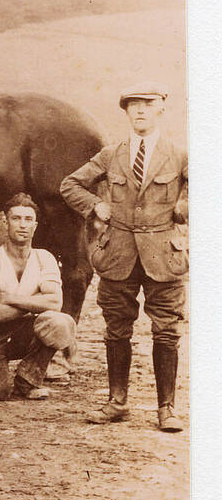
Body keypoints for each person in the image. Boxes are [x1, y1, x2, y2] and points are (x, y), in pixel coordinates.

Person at [60, 84, 188, 431]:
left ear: (161, 108)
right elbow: (70, 185)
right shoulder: (111, 154)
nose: (140, 111)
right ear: (126, 112)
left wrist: (184, 205)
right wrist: (95, 206)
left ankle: (167, 408)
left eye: (148, 104)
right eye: (133, 106)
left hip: (164, 257)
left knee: (166, 331)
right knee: (116, 329)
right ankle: (117, 402)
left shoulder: (178, 155)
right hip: (117, 255)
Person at [0, 194, 78, 401]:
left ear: (35, 225)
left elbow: (55, 302)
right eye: (16, 218)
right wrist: (36, 301)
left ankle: (27, 379)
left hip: (21, 331)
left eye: (28, 219)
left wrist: (10, 298)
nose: (22, 225)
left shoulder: (44, 258)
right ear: (5, 222)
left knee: (61, 322)